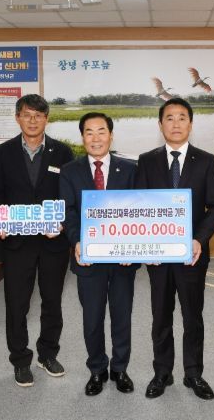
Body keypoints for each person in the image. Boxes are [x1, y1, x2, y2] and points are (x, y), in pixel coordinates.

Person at [135, 98, 214, 400]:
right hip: (157, 255)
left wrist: (199, 239)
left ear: (191, 124)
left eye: (182, 118)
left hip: (192, 254)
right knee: (160, 315)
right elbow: (139, 205)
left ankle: (193, 373)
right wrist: (147, 244)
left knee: (192, 315)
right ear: (160, 124)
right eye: (169, 118)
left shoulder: (207, 160)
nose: (176, 123)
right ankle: (162, 372)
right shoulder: (146, 160)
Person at [0, 94, 74, 387]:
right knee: (17, 304)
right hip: (17, 242)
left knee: (52, 301)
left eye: (39, 115)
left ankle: (47, 354)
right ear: (18, 118)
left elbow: (70, 195)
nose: (33, 120)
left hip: (53, 242)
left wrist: (62, 223)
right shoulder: (4, 151)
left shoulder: (62, 152)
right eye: (27, 114)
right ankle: (20, 360)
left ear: (46, 119)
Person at [59, 112, 138, 396]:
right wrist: (77, 240)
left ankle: (120, 368)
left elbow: (138, 209)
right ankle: (96, 369)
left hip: (122, 258)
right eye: (89, 132)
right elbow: (68, 210)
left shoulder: (130, 169)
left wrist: (133, 245)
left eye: (101, 131)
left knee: (122, 315)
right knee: (92, 318)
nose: (95, 138)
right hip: (88, 257)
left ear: (111, 135)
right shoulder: (70, 171)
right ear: (82, 137)